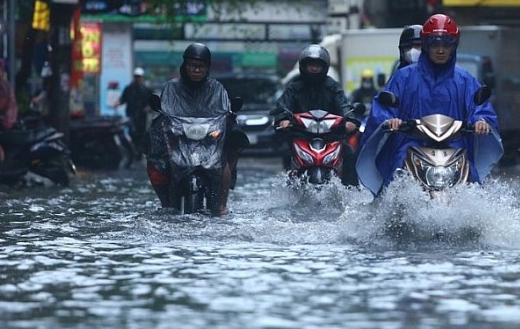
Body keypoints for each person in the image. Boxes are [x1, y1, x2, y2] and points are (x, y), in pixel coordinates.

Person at [357, 13, 503, 196]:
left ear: (454, 46)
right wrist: (389, 120)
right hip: (410, 145)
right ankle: (389, 216)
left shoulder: (465, 80)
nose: (441, 50)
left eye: (446, 44)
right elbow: (383, 106)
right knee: (395, 177)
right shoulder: (404, 77)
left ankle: (475, 217)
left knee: (473, 180)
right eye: (435, 44)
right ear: (425, 45)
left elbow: (480, 107)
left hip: (455, 147)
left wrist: (482, 121)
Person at [145, 43, 247, 216]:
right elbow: (164, 112)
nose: (197, 70)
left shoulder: (217, 88)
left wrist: (228, 119)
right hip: (178, 139)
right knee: (154, 156)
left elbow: (225, 112)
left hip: (209, 141)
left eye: (201, 66)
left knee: (225, 158)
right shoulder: (171, 87)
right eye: (193, 65)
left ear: (207, 68)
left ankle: (222, 205)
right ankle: (166, 203)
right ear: (185, 66)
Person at [272, 44, 360, 186]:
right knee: (287, 152)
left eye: (317, 65)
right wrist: (283, 119)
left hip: (331, 136)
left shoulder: (332, 86)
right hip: (301, 135)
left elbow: (344, 105)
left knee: (349, 152)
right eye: (310, 65)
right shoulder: (294, 87)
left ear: (324, 67)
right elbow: (283, 105)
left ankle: (351, 192)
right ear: (303, 66)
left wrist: (350, 119)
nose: (314, 68)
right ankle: (289, 189)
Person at [117, 67, 152, 157]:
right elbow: (123, 99)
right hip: (131, 116)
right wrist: (118, 103)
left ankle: (139, 153)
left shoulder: (146, 89)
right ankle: (134, 151)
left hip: (142, 117)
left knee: (141, 134)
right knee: (132, 133)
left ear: (142, 77)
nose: (138, 78)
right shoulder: (129, 89)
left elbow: (151, 102)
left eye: (139, 77)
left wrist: (148, 108)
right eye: (136, 77)